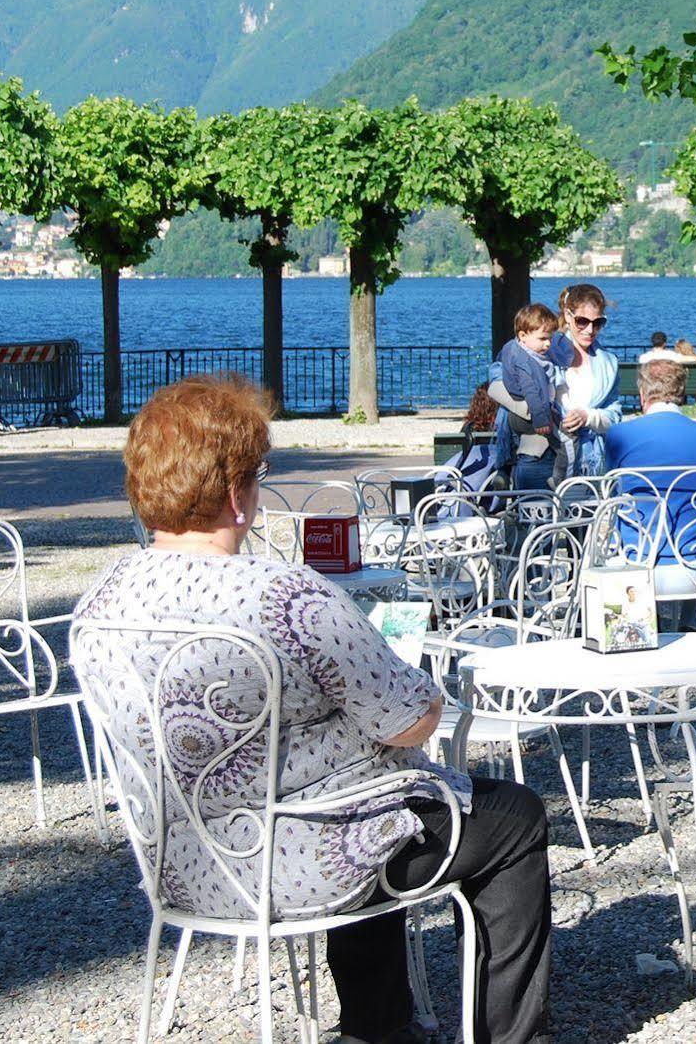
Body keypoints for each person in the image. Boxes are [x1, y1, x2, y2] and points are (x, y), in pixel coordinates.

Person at [74, 374, 553, 1044]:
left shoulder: (102, 600)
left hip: (186, 861)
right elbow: (412, 720)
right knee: (508, 816)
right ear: (237, 490)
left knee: (367, 795)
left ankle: (378, 1026)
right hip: (304, 863)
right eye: (257, 473)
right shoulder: (286, 596)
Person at [605, 360, 696, 631]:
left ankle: (640, 628)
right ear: (682, 393)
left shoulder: (619, 435)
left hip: (635, 563)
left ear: (642, 395)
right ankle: (695, 629)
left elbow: (613, 495)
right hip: (693, 567)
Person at [491, 286, 623, 488]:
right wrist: (533, 410)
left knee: (582, 520)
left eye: (598, 323)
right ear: (568, 316)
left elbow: (615, 414)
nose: (590, 329)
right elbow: (497, 377)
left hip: (588, 460)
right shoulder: (539, 345)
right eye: (582, 321)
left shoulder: (608, 364)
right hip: (539, 453)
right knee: (536, 518)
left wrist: (588, 417)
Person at [494, 303, 567, 486]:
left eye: (550, 338)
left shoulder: (512, 348)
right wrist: (541, 420)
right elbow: (533, 393)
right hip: (532, 414)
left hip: (516, 414)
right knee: (562, 445)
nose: (548, 343)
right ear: (523, 336)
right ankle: (558, 478)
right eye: (542, 338)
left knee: (509, 439)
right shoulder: (529, 364)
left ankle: (504, 470)